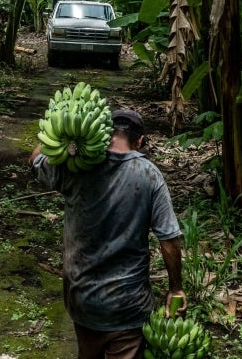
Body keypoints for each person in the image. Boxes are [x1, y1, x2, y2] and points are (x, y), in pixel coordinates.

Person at [30, 108, 185, 359]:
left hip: (83, 298)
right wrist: (175, 288)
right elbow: (168, 239)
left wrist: (58, 133)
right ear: (140, 141)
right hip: (129, 305)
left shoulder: (74, 167)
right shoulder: (149, 175)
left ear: (104, 134)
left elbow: (35, 160)